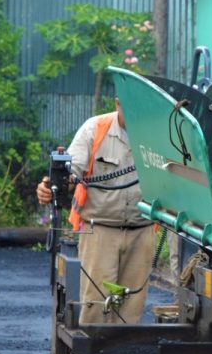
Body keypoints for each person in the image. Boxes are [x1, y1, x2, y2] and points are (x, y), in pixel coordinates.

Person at [37, 97, 156, 325]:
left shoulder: (156, 134)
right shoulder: (95, 129)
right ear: (118, 103)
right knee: (96, 304)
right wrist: (51, 186)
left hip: (142, 231)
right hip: (100, 230)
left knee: (131, 308)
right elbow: (72, 171)